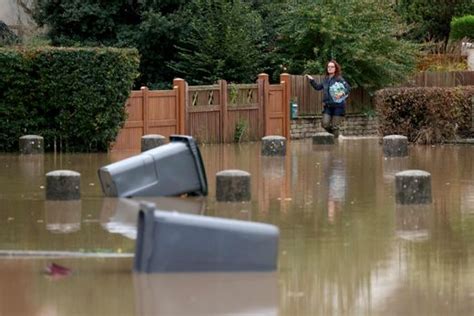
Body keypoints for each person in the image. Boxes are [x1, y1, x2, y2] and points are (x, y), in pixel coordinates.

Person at [305, 60, 350, 137]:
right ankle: (336, 136)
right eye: (328, 67)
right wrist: (312, 80)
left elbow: (348, 88)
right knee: (324, 124)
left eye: (332, 67)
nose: (330, 68)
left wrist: (341, 93)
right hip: (328, 106)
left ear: (335, 68)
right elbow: (318, 87)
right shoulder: (326, 79)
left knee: (335, 127)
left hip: (338, 106)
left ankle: (335, 144)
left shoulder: (339, 78)